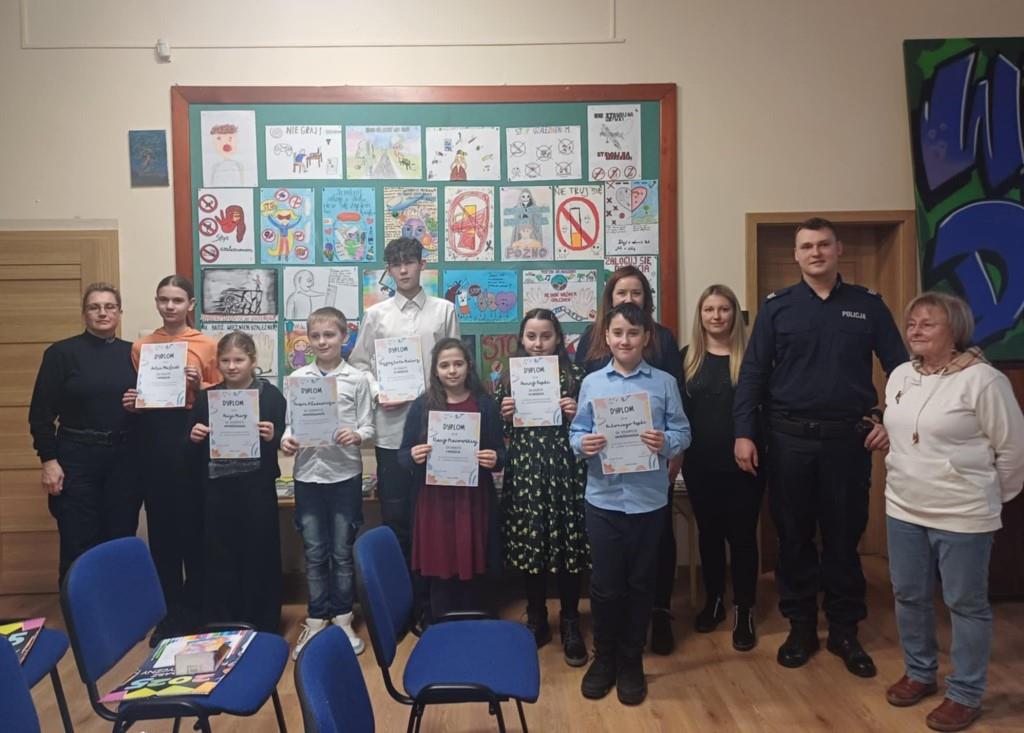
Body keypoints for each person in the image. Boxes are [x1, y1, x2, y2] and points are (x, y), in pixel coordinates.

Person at [733, 217, 907, 677]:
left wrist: (888, 418)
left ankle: (845, 630)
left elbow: (902, 370)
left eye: (823, 244)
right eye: (807, 246)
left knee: (844, 537)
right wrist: (743, 432)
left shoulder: (868, 306)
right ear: (796, 255)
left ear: (838, 249)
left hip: (847, 442)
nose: (815, 252)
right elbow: (752, 374)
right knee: (793, 536)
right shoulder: (778, 309)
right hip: (788, 439)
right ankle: (802, 626)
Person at [882, 292, 1024, 732]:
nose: (916, 330)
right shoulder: (901, 375)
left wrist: (983, 497)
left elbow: (1012, 452)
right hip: (903, 507)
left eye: (928, 323)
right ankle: (920, 672)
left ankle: (965, 693)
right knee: (908, 595)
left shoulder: (984, 380)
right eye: (912, 323)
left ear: (955, 330)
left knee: (965, 603)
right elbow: (900, 431)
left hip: (963, 515)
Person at [571, 302, 689, 705]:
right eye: (618, 332)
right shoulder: (592, 383)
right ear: (607, 337)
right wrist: (583, 444)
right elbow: (576, 433)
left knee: (640, 584)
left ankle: (631, 659)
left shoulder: (664, 383)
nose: (625, 340)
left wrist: (666, 441)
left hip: (648, 501)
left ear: (646, 338)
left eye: (633, 333)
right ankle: (604, 658)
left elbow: (683, 431)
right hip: (603, 500)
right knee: (605, 586)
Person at [348, 237, 459, 566]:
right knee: (396, 513)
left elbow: (456, 363)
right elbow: (359, 364)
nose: (404, 270)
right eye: (396, 265)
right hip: (392, 428)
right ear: (389, 270)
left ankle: (434, 586)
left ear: (422, 264)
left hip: (435, 425)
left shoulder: (444, 310)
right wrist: (378, 391)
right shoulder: (376, 315)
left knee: (438, 510)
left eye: (409, 262)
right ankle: (402, 590)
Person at [123, 275, 221, 642]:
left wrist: (199, 385)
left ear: (190, 304)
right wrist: (134, 403)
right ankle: (170, 612)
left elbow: (223, 394)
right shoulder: (142, 346)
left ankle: (198, 608)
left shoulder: (208, 345)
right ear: (156, 302)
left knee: (195, 526)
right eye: (163, 299)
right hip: (155, 440)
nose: (170, 306)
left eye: (177, 300)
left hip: (193, 436)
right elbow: (145, 395)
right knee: (162, 531)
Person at [28, 283, 140, 586]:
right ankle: (79, 611)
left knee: (120, 539)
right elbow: (40, 414)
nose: (102, 313)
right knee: (78, 541)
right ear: (84, 313)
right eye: (94, 307)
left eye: (109, 306)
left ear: (119, 312)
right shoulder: (61, 354)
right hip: (76, 458)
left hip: (124, 460)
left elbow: (151, 408)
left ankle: (117, 608)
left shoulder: (134, 354)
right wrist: (48, 461)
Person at [496, 309, 589, 666]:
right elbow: (501, 432)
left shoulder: (577, 375)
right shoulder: (509, 377)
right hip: (526, 470)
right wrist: (504, 414)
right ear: (522, 339)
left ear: (558, 338)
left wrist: (577, 412)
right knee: (530, 542)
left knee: (567, 544)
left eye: (546, 336)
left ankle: (570, 619)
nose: (538, 344)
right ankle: (536, 617)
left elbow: (592, 425)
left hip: (564, 468)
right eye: (531, 336)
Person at [281, 307, 375, 659]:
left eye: (329, 335)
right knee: (314, 552)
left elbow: (369, 426)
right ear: (308, 339)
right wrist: (286, 441)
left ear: (344, 337)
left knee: (341, 551)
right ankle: (317, 618)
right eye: (316, 336)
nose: (322, 342)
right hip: (308, 476)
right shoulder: (298, 378)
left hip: (344, 476)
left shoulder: (358, 379)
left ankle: (343, 618)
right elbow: (290, 425)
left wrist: (357, 435)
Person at [680, 284, 763, 651]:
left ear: (735, 314)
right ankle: (714, 600)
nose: (716, 316)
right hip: (700, 465)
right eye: (709, 309)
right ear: (700, 316)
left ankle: (744, 609)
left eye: (724, 309)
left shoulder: (752, 359)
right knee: (709, 536)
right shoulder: (686, 358)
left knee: (742, 538)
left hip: (745, 466)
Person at [398, 338, 505, 620]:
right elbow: (403, 455)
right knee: (440, 557)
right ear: (435, 370)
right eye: (444, 365)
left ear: (468, 366)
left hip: (473, 497)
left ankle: (475, 619)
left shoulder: (484, 404)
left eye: (458, 364)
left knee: (474, 556)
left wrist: (495, 458)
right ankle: (441, 619)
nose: (452, 370)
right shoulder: (422, 406)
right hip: (434, 499)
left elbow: (501, 452)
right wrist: (414, 455)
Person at [187, 331, 286, 633]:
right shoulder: (206, 398)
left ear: (252, 361)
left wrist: (274, 436)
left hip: (256, 489)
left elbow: (285, 439)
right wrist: (194, 436)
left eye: (239, 360)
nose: (231, 366)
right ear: (217, 362)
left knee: (259, 553)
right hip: (218, 490)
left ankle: (263, 621)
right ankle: (223, 620)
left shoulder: (270, 396)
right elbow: (192, 443)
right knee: (220, 555)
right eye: (226, 360)